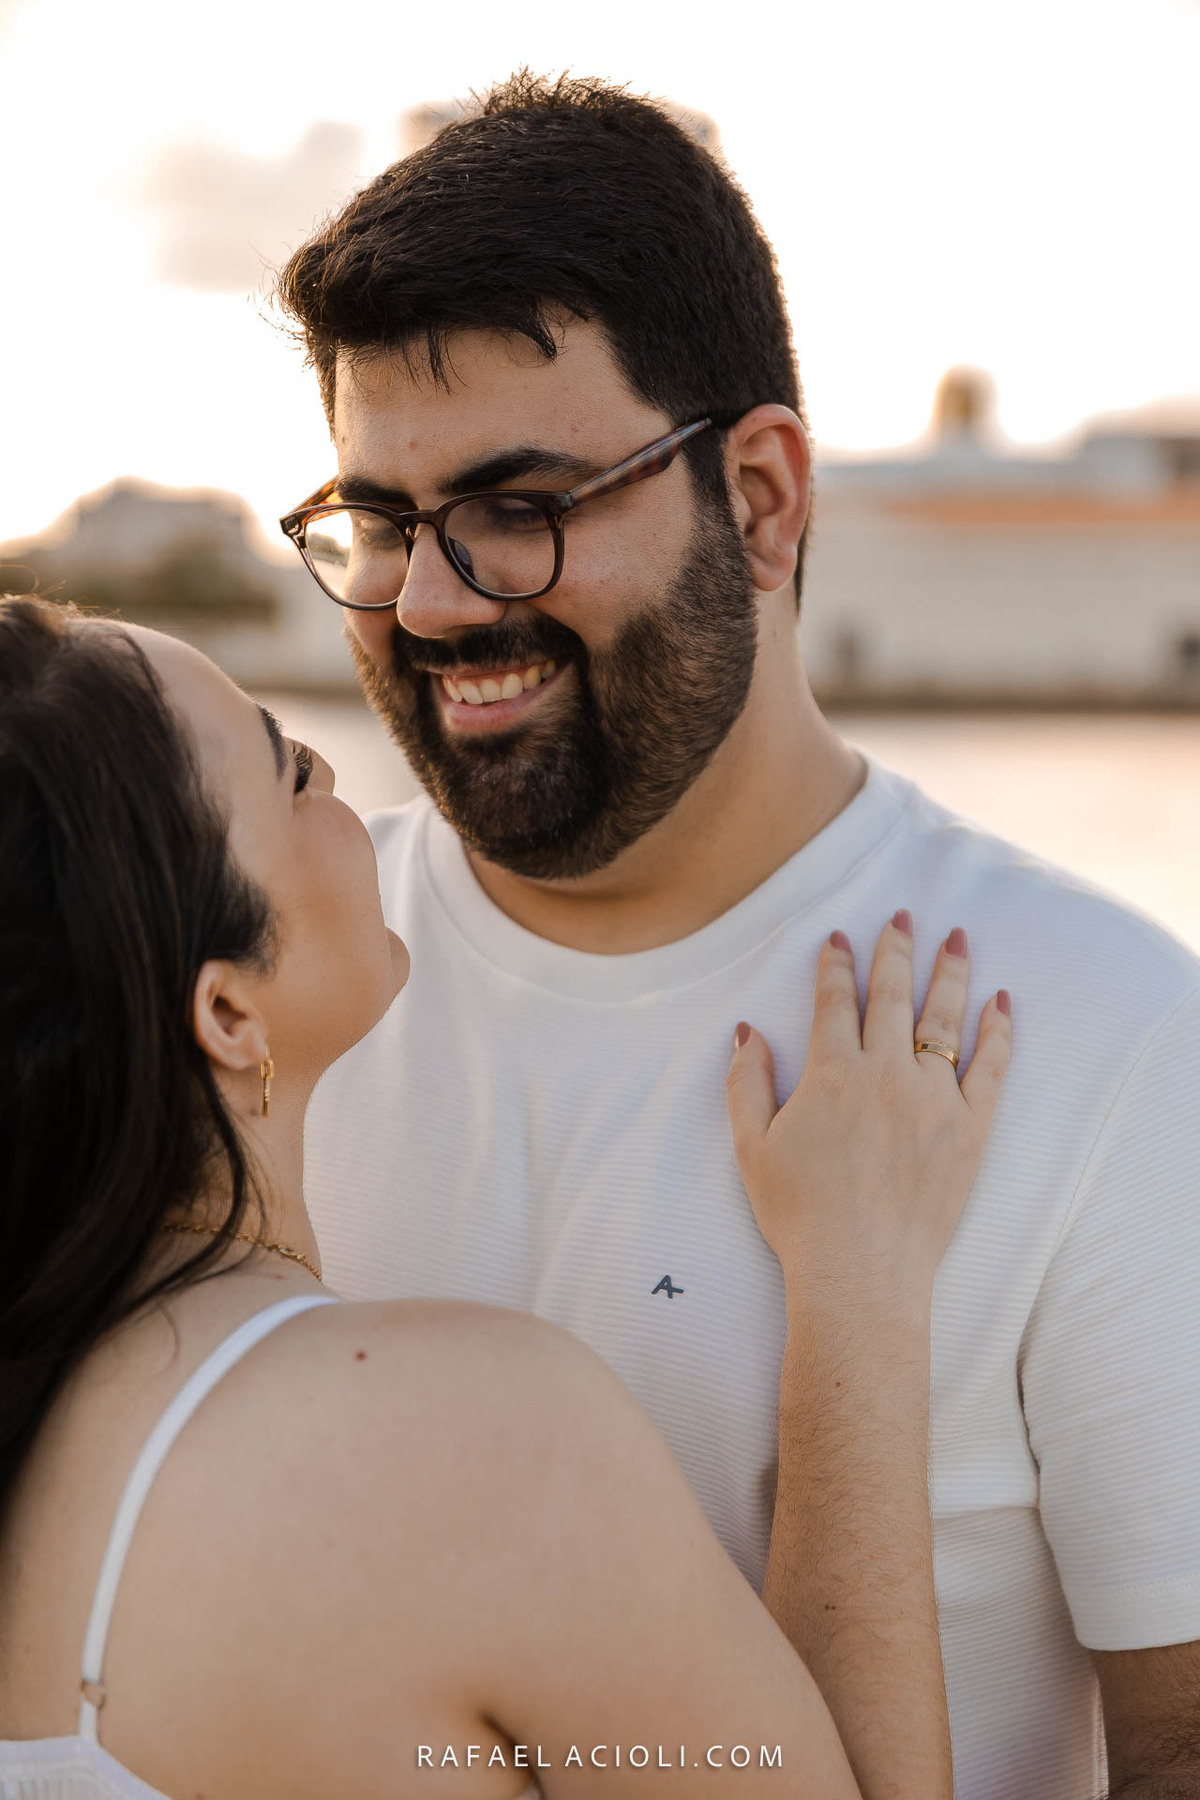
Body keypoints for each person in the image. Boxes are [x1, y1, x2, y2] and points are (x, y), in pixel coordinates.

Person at [276, 72, 1200, 1800]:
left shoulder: (1109, 1035)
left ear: (762, 500)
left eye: (519, 506)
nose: (432, 603)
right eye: (385, 525)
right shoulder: (262, 980)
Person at [0, 593, 1010, 1797]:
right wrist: (860, 1284)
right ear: (227, 1011)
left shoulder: (45, 1416)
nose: (339, 778)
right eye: (290, 772)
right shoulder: (471, 1436)